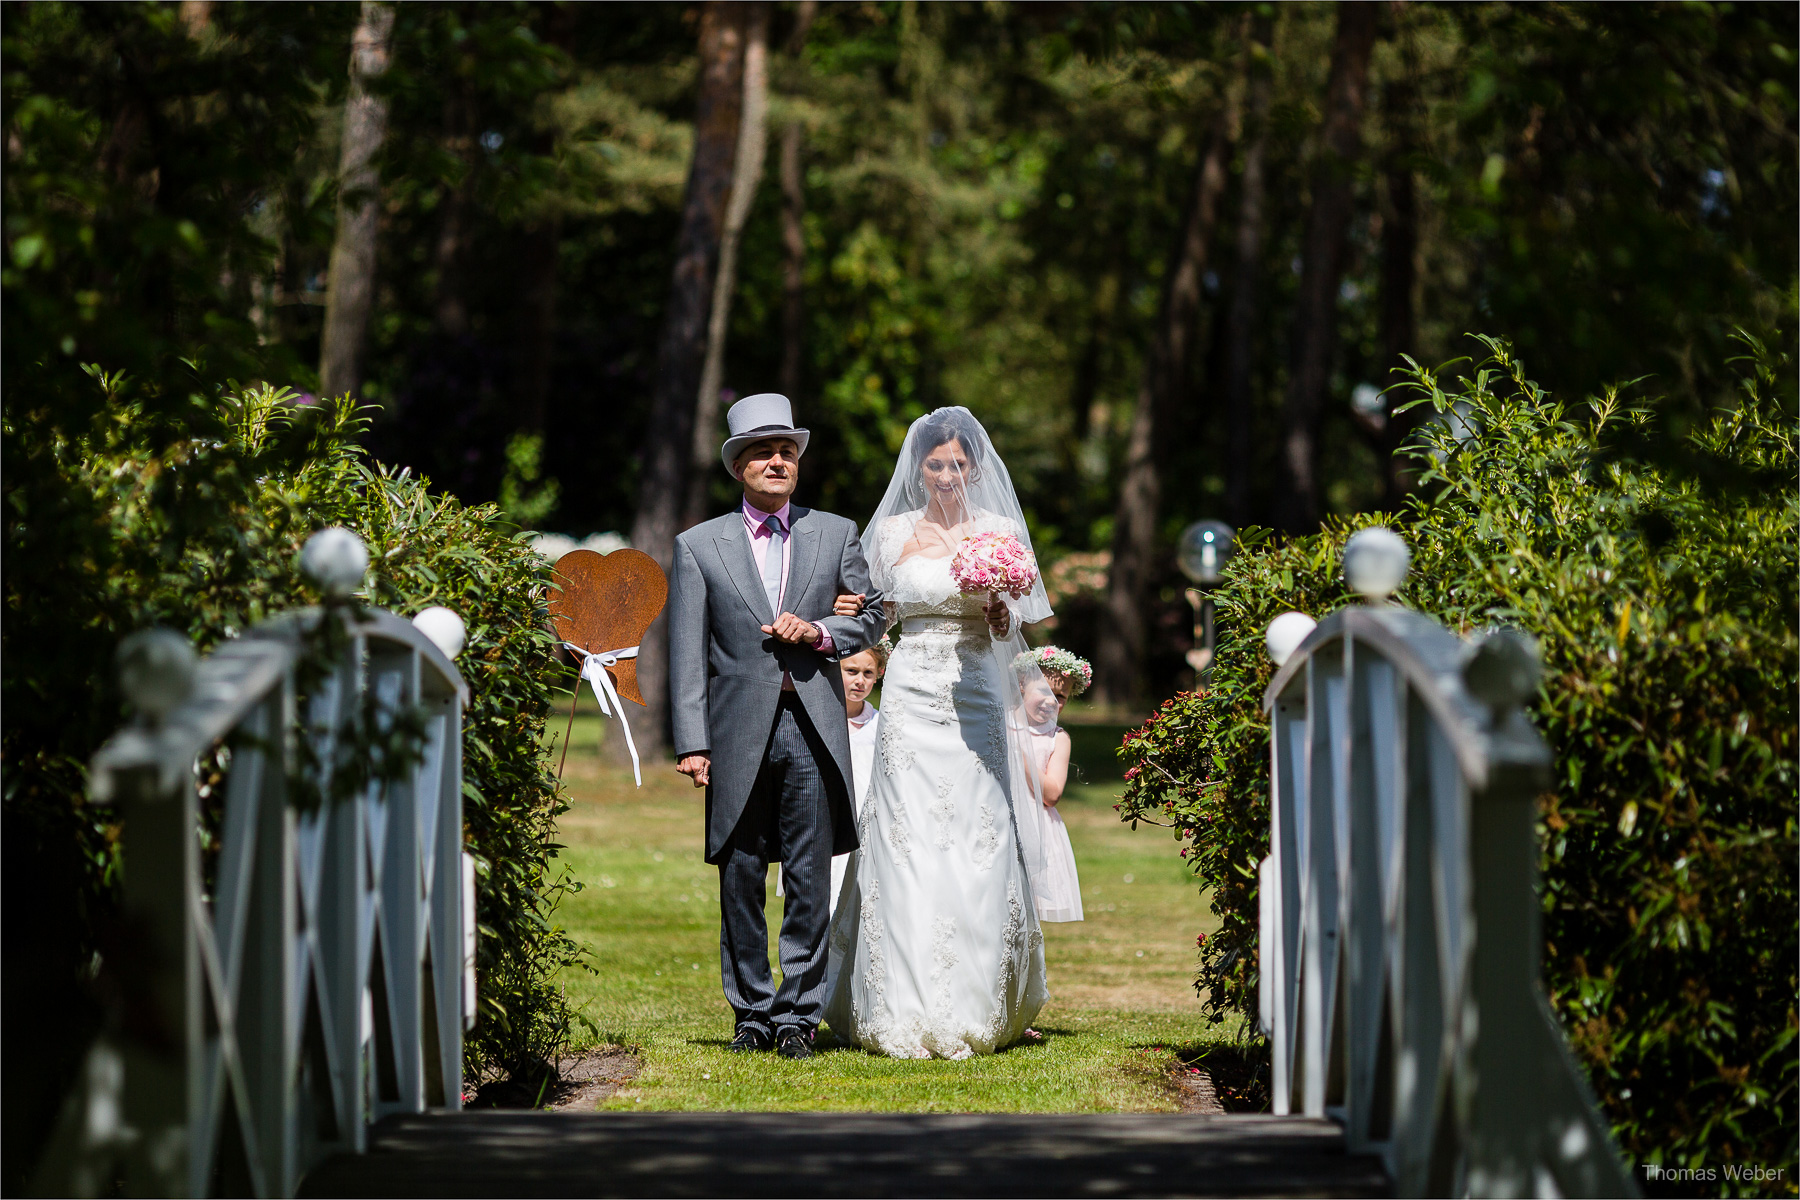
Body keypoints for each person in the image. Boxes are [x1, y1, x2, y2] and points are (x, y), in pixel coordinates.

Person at [822, 407, 1053, 1060]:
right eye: (937, 464)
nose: (949, 475)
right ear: (918, 470)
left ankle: (981, 1000)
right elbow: (876, 615)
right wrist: (851, 609)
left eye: (959, 464)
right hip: (912, 693)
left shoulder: (1001, 531)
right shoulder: (892, 534)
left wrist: (1002, 605)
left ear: (974, 468)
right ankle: (896, 999)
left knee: (977, 830)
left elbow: (1016, 629)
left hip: (976, 690)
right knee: (905, 833)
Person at [668, 394, 889, 1061]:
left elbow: (872, 615)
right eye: (763, 452)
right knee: (739, 874)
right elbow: (687, 650)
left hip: (815, 726)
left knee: (809, 876)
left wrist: (822, 631)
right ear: (739, 465)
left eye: (786, 451)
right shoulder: (698, 545)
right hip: (735, 731)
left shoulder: (836, 532)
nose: (776, 461)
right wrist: (693, 739)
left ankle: (799, 1016)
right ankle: (752, 1014)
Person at [1013, 647, 1087, 923]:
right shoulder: (1000, 723)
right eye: (1043, 690)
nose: (1050, 702)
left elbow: (1052, 793)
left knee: (1025, 912)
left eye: (1060, 697)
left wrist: (1021, 756)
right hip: (995, 818)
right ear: (1021, 684)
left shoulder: (1058, 738)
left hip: (1035, 829)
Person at [836, 637, 890, 916]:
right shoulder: (824, 719)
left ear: (878, 675)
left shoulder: (880, 723)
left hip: (865, 820)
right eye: (851, 671)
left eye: (868, 673)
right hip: (831, 816)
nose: (860, 681)